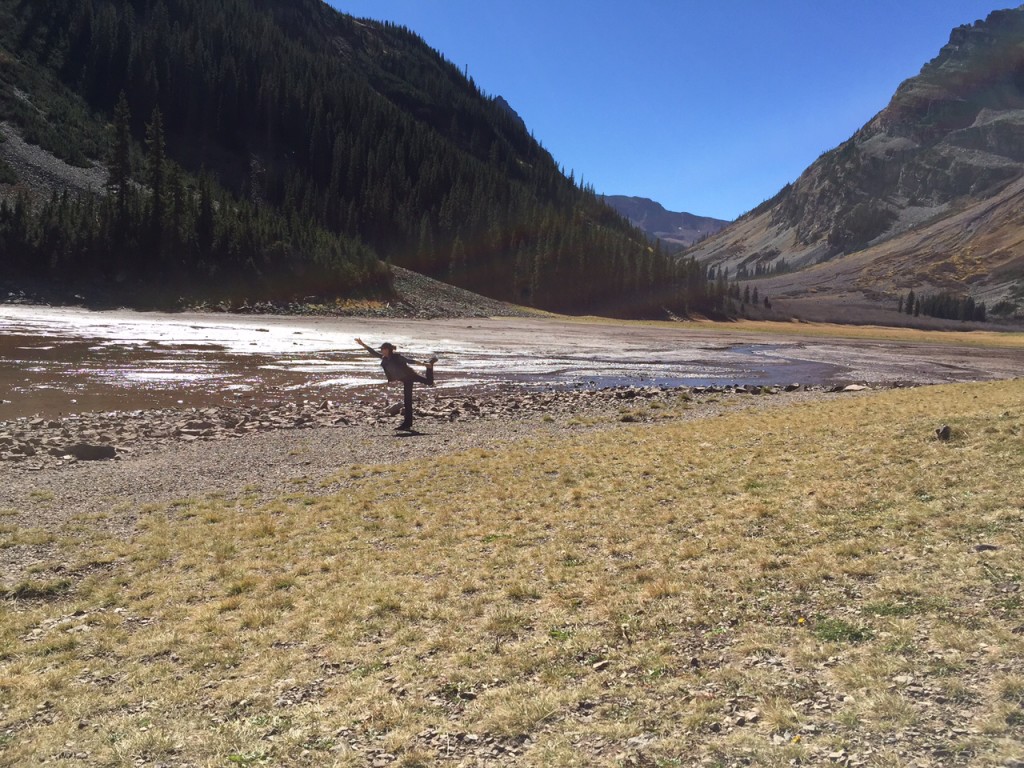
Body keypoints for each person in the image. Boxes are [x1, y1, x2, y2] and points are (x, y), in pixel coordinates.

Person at [355, 338, 437, 431]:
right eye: (381, 349)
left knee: (426, 385)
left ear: (387, 349)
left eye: (383, 349)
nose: (381, 351)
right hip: (405, 379)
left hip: (410, 376)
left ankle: (430, 364)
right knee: (408, 401)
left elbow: (409, 360)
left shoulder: (397, 357)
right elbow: (372, 352)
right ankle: (407, 423)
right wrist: (362, 344)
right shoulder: (384, 358)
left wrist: (423, 364)